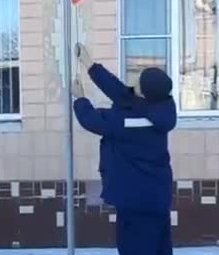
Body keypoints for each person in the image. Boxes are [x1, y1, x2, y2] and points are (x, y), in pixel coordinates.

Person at [72, 43, 177, 255]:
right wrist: (90, 64)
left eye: (137, 83)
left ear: (144, 94)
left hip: (137, 203)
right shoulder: (158, 107)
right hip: (154, 198)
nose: (133, 82)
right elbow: (121, 92)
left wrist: (81, 98)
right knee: (159, 249)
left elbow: (93, 121)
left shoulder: (134, 123)